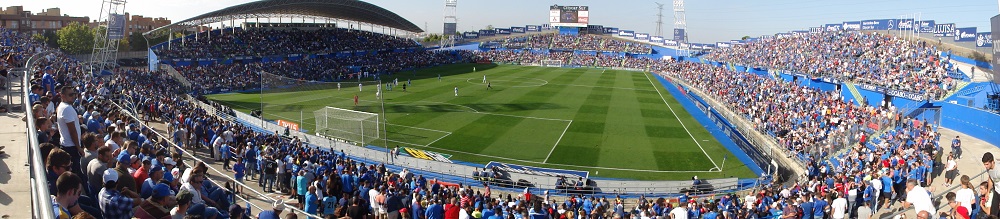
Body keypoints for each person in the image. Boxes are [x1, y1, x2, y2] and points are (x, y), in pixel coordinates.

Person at [58, 86, 84, 180]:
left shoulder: (63, 106)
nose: (73, 96)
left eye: (74, 94)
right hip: (71, 147)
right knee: (75, 176)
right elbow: (72, 130)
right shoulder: (67, 109)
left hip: (67, 144)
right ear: (62, 96)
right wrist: (78, 147)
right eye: (70, 95)